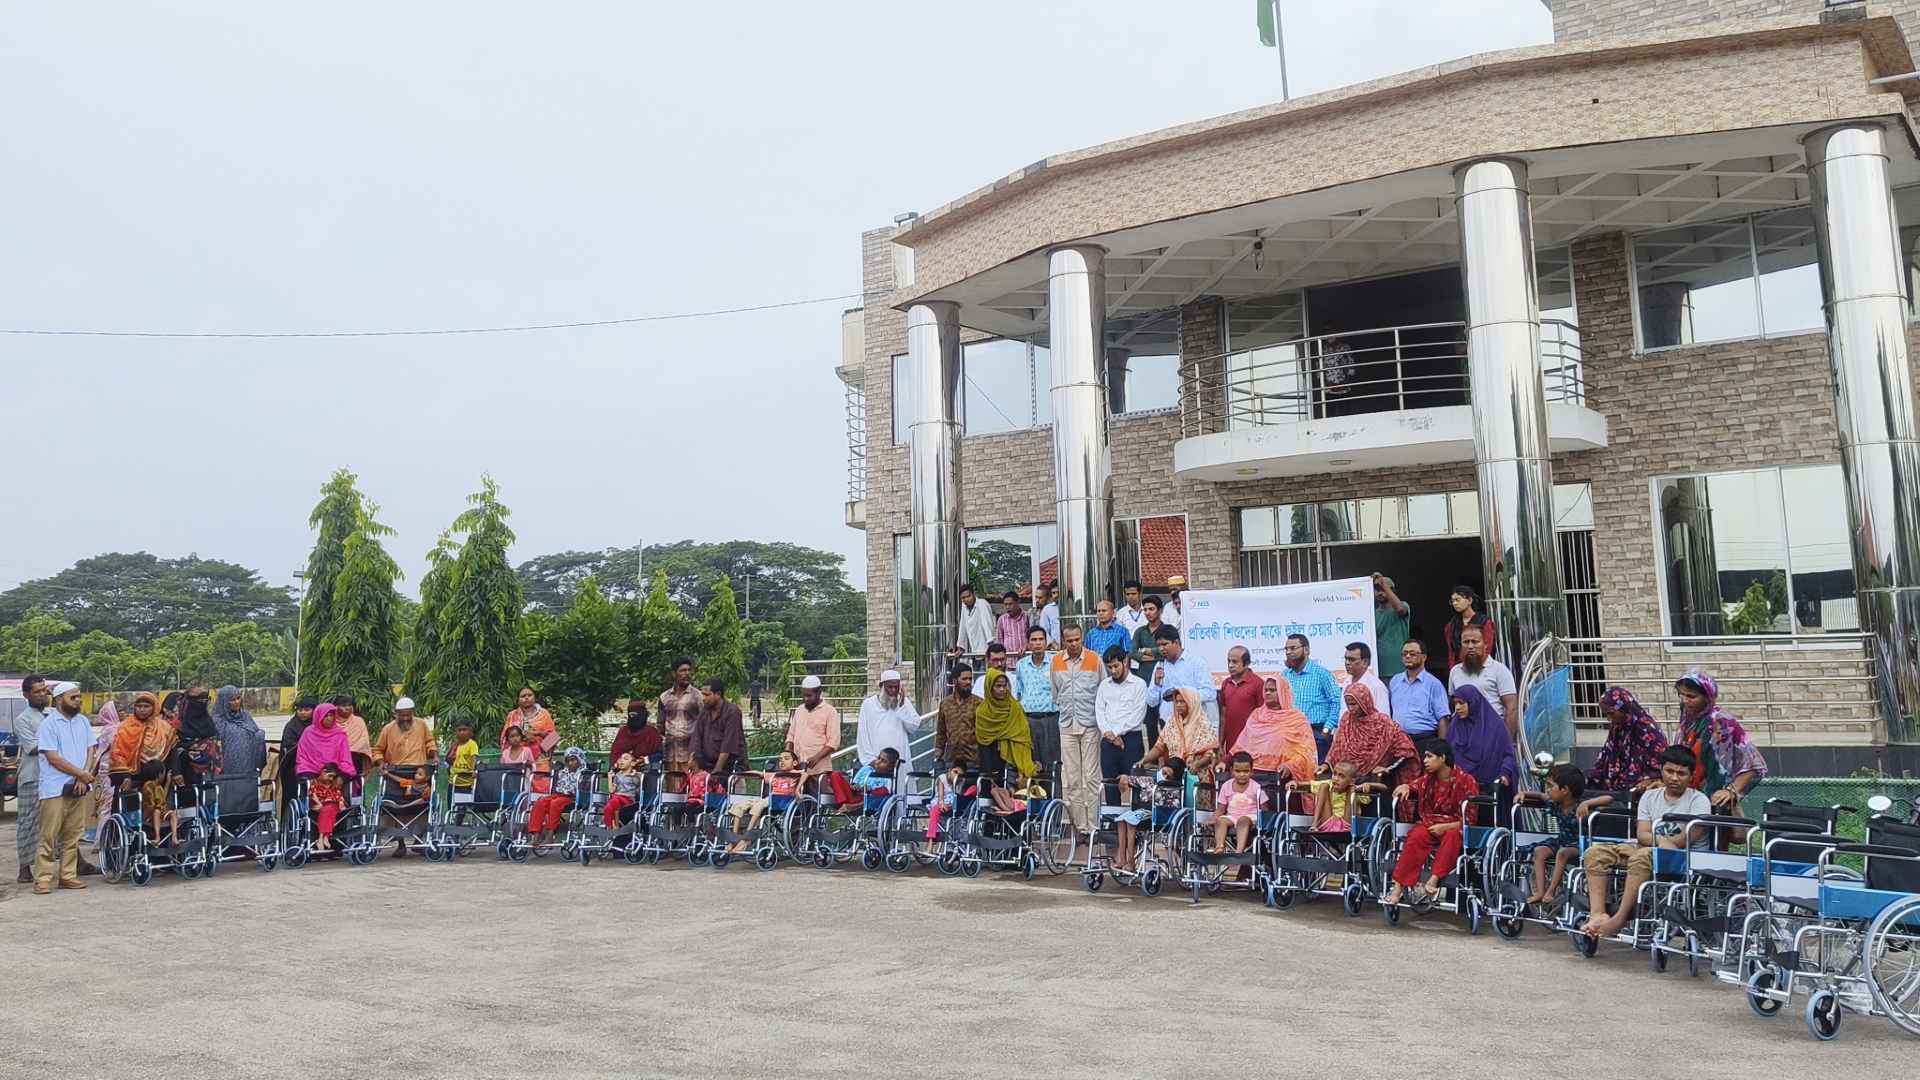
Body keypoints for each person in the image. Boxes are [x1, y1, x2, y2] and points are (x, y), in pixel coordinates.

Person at [1580, 746, 1711, 939]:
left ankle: (1619, 918)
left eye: (1681, 773)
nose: (1674, 778)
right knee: (1595, 852)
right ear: (1661, 770)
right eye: (1670, 771)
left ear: (1691, 776)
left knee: (1641, 855)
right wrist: (1654, 842)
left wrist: (1648, 845)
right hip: (1648, 850)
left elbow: (1681, 842)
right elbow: (1642, 834)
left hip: (1684, 859)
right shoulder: (1650, 797)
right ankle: (1597, 914)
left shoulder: (1699, 801)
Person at [1381, 738, 1480, 907]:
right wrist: (1406, 787)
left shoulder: (1466, 781)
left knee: (1452, 837)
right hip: (1431, 824)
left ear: (1442, 758)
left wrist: (1446, 826)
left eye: (1429, 756)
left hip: (1455, 826)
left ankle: (1433, 880)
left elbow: (1470, 819)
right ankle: (1397, 889)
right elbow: (1414, 786)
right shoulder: (1428, 779)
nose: (1425, 761)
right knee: (1415, 836)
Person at [31, 682, 97, 894]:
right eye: (73, 697)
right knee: (48, 835)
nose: (78, 700)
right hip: (54, 788)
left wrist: (83, 777)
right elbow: (53, 758)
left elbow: (90, 751)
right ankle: (42, 879)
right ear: (59, 699)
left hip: (79, 786)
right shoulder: (49, 724)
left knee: (73, 835)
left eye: (78, 697)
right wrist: (80, 774)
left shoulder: (83, 722)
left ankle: (68, 876)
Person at [1672, 670, 1767, 814]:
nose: (1685, 700)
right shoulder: (1688, 719)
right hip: (1688, 799)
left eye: (1691, 696)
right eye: (1681, 695)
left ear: (1707, 697)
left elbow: (1755, 764)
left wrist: (1731, 791)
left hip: (1715, 804)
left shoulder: (1720, 722)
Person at [1513, 764, 1604, 907]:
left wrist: (1588, 802)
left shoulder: (1580, 806)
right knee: (1539, 851)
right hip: (1562, 840)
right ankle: (1540, 892)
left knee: (1562, 853)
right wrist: (1523, 793)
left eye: (1551, 786)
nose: (1548, 790)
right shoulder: (1555, 803)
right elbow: (1540, 796)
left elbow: (1608, 798)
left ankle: (1551, 891)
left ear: (1565, 790)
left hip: (1581, 844)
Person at [1050, 624, 1104, 834]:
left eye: (1076, 640)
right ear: (1064, 641)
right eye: (1069, 640)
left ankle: (1094, 826)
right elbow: (1055, 693)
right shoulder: (1056, 661)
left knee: (1091, 777)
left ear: (1082, 639)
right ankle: (1080, 827)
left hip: (1090, 723)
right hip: (1066, 723)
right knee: (1072, 778)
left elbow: (1103, 689)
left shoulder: (1094, 659)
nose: (1073, 644)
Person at [373, 696, 438, 853]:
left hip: (418, 775)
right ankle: (400, 844)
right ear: (396, 714)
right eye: (401, 715)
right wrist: (381, 764)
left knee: (424, 806)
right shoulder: (388, 729)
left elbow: (430, 743)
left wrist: (434, 755)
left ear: (413, 713)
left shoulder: (422, 724)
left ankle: (420, 840)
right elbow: (377, 750)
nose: (405, 718)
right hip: (396, 774)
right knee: (394, 807)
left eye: (408, 714)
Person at [1440, 686, 1517, 816]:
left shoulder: (1495, 726)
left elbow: (1508, 754)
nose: (1457, 708)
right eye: (1455, 704)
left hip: (1490, 791)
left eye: (1462, 703)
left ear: (1473, 702)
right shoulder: (1454, 726)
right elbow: (1448, 755)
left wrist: (1505, 773)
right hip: (1460, 789)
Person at [1326, 683, 1418, 789]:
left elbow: (1405, 751)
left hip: (1375, 780)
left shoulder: (1383, 722)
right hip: (1346, 780)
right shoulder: (1346, 720)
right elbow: (1336, 748)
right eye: (1348, 705)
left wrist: (1387, 768)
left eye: (1354, 704)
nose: (1351, 709)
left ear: (1365, 702)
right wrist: (1326, 764)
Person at [1231, 677, 1318, 783]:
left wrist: (1291, 765)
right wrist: (1225, 760)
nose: (1267, 693)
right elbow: (1241, 745)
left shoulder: (1297, 719)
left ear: (1283, 692)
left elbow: (1306, 751)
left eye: (1272, 690)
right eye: (1266, 690)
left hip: (1282, 777)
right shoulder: (1256, 715)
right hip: (1252, 776)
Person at [1588, 686, 1669, 792]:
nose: (1609, 718)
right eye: (1606, 714)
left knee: (1624, 789)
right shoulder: (1617, 726)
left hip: (1640, 779)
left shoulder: (1646, 729)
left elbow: (1659, 764)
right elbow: (1607, 754)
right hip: (1618, 775)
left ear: (1624, 708)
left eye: (1611, 713)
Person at [1094, 645, 1149, 797]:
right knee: (1110, 786)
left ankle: (1136, 820)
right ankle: (1113, 820)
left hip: (1131, 741)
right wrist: (1109, 734)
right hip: (1108, 742)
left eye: (1116, 666)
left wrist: (1116, 733)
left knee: (1136, 786)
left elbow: (1137, 715)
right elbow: (1099, 711)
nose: (1113, 670)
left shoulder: (1139, 684)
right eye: (1109, 667)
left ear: (1125, 662)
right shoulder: (1104, 685)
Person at [1279, 634, 1342, 759]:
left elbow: (1336, 700)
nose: (1288, 652)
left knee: (1316, 775)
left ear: (1306, 650)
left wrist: (1327, 729)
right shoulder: (1285, 675)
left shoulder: (1321, 673)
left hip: (1316, 733)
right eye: (1286, 649)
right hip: (1292, 734)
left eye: (1293, 648)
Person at [12, 674, 49, 883]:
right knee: (27, 822)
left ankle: (76, 862)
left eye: (44, 690)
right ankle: (24, 868)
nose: (42, 694)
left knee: (62, 820)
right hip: (31, 777)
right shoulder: (22, 720)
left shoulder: (52, 714)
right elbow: (34, 747)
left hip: (52, 776)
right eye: (37, 691)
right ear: (26, 695)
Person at [1447, 624, 1518, 726]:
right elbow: (1453, 704)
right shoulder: (1455, 671)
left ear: (1485, 644)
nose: (1470, 646)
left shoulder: (1499, 670)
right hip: (1464, 733)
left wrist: (1506, 740)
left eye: (1475, 642)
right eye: (1466, 642)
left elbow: (1512, 708)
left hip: (1492, 731)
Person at [973, 668, 1037, 780]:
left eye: (1004, 685)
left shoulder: (1015, 707)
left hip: (1014, 765)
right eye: (998, 686)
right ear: (989, 688)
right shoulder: (982, 712)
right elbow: (983, 742)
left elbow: (1024, 736)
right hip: (991, 762)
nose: (1002, 689)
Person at [1150, 626, 1213, 730]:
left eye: (1165, 644)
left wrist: (1183, 696)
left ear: (1176, 642)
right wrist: (1156, 684)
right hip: (1168, 726)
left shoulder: (1196, 663)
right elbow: (1151, 702)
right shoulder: (1159, 666)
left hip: (1193, 725)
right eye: (1159, 645)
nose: (1161, 648)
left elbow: (1210, 693)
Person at [1013, 630, 1059, 771]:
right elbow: (1019, 692)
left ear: (1046, 642)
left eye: (1041, 639)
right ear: (1028, 643)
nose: (1037, 643)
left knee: (1052, 762)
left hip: (1050, 718)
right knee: (1031, 762)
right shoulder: (1021, 664)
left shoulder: (1055, 662)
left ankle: (1053, 793)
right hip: (1028, 719)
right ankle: (1033, 792)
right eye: (1033, 640)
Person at [525, 746, 587, 848]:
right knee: (540, 802)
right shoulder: (563, 771)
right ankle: (535, 835)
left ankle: (550, 835)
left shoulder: (583, 773)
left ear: (579, 759)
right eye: (568, 761)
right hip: (558, 794)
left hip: (572, 797)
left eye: (573, 760)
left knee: (555, 803)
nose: (570, 763)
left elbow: (580, 789)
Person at [1387, 639, 1449, 739]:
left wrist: (1440, 748)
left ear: (1424, 657)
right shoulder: (1395, 681)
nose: (1408, 656)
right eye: (1404, 654)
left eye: (1412, 654)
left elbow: (1443, 719)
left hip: (1424, 740)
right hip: (1399, 741)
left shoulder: (1434, 684)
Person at [175, 687, 224, 804]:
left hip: (211, 774)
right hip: (186, 775)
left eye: (204, 701)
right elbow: (174, 750)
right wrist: (187, 753)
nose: (202, 704)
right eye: (198, 701)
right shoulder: (178, 725)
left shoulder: (209, 722)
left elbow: (217, 745)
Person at [1216, 646, 1264, 764]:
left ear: (1246, 664)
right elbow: (1223, 715)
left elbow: (1263, 717)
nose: (1231, 665)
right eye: (1229, 661)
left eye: (1235, 662)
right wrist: (1220, 745)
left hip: (1252, 745)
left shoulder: (1258, 684)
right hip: (1231, 746)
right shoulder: (1226, 683)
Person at [786, 674, 841, 778]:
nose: (806, 699)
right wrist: (788, 754)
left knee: (816, 794)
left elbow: (834, 742)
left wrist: (817, 758)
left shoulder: (830, 711)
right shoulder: (799, 710)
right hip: (797, 770)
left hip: (819, 771)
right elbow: (791, 736)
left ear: (819, 693)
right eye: (804, 695)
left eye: (809, 696)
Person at [210, 685, 267, 784]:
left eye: (238, 698)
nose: (237, 702)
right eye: (232, 700)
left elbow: (255, 733)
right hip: (228, 768)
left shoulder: (246, 715)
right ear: (224, 701)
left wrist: (259, 736)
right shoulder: (217, 720)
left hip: (249, 765)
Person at [1213, 751, 1267, 854]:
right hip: (1232, 816)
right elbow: (1221, 808)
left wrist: (1265, 821)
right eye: (1238, 771)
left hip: (1251, 817)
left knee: (1243, 820)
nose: (1242, 774)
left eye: (1246, 771)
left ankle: (1239, 851)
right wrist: (1213, 818)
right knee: (1221, 821)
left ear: (1252, 771)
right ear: (1232, 771)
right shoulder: (1226, 786)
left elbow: (1264, 807)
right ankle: (1219, 846)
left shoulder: (1256, 787)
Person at [1130, 595, 1166, 745]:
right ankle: (1153, 755)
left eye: (1151, 609)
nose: (1148, 612)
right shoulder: (1140, 631)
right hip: (1144, 678)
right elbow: (1132, 652)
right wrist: (1155, 654)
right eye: (1145, 609)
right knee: (1150, 722)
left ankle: (1168, 756)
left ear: (1160, 610)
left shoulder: (1166, 630)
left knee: (1165, 720)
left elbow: (1165, 651)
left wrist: (1146, 651)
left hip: (1163, 678)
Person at [695, 678, 746, 778]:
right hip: (708, 766)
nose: (703, 698)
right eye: (702, 694)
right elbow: (697, 736)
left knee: (728, 791)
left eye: (707, 695)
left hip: (730, 768)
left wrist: (718, 769)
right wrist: (694, 760)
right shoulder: (704, 712)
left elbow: (728, 743)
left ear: (718, 694)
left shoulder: (732, 712)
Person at [293, 703, 357, 783]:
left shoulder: (340, 734)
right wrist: (317, 779)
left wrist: (341, 777)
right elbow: (302, 759)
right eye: (326, 716)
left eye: (331, 715)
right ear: (318, 716)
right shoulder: (308, 733)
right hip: (311, 773)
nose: (329, 718)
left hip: (335, 773)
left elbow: (345, 760)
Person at [658, 662, 702, 774]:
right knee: (671, 787)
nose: (687, 673)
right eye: (682, 670)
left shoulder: (698, 696)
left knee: (690, 786)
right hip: (670, 752)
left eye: (689, 670)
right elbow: (660, 725)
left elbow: (704, 724)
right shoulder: (664, 697)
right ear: (674, 673)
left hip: (690, 752)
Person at [276, 697, 317, 814]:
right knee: (293, 798)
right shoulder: (291, 727)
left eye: (307, 709)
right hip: (293, 769)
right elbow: (289, 748)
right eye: (299, 709)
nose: (302, 712)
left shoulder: (319, 725)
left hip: (316, 769)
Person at [1442, 585, 1496, 669]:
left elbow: (1487, 649)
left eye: (1457, 600)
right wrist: (1453, 669)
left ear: (1469, 600)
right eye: (1452, 601)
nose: (1455, 603)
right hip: (1459, 668)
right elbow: (1451, 652)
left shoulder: (1484, 622)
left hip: (1480, 668)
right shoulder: (1451, 626)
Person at [936, 665, 979, 769]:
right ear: (955, 681)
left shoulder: (979, 703)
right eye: (964, 679)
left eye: (970, 679)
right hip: (951, 760)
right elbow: (941, 731)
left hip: (973, 760)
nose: (968, 682)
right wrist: (938, 752)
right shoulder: (945, 703)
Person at [1373, 572, 1412, 673]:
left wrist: (1383, 584)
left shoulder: (1403, 606)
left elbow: (1400, 609)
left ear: (1392, 591)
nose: (1380, 593)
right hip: (1379, 668)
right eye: (1377, 590)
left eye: (1383, 590)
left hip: (1399, 668)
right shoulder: (1372, 614)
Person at [609, 700, 663, 771]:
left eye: (636, 715)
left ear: (643, 715)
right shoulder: (623, 732)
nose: (633, 718)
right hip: (622, 773)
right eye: (631, 715)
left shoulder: (651, 733)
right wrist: (619, 763)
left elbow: (661, 754)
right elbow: (615, 754)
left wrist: (645, 759)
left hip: (647, 772)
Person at [502, 685, 557, 753]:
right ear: (518, 700)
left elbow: (553, 738)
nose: (526, 697)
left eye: (529, 695)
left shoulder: (544, 714)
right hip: (518, 759)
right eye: (523, 696)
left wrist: (537, 735)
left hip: (540, 759)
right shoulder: (512, 715)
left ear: (534, 697)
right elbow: (504, 739)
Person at [1342, 643, 1390, 719]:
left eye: (1352, 659)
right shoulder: (1346, 682)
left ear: (1365, 662)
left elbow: (1383, 720)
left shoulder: (1376, 686)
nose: (1347, 663)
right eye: (1346, 659)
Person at [310, 763, 349, 853]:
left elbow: (338, 796)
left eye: (333, 777)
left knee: (329, 807)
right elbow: (313, 794)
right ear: (323, 772)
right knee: (327, 810)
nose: (331, 779)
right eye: (330, 776)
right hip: (322, 807)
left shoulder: (333, 785)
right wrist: (319, 803)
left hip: (333, 806)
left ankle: (321, 838)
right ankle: (325, 837)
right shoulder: (314, 782)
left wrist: (341, 802)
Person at [955, 583, 997, 657]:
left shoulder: (982, 604)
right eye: (963, 598)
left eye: (968, 596)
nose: (966, 599)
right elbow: (963, 627)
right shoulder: (964, 607)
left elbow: (987, 625)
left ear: (973, 594)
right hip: (974, 651)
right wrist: (961, 647)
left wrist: (991, 646)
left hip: (986, 651)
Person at [603, 752, 643, 828]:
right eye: (621, 758)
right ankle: (613, 826)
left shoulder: (636, 775)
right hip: (617, 799)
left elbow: (641, 784)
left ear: (632, 763)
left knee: (613, 801)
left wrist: (634, 773)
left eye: (626, 759)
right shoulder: (618, 775)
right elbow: (611, 790)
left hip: (628, 799)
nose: (622, 760)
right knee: (611, 804)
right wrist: (610, 778)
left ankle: (612, 826)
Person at [447, 721, 480, 793]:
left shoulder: (472, 744)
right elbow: (449, 760)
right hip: (453, 782)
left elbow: (475, 758)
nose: (462, 732)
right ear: (456, 732)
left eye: (464, 730)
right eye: (459, 730)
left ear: (470, 731)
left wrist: (475, 769)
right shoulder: (454, 745)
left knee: (464, 804)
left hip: (466, 783)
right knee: (451, 803)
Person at [1033, 582, 1062, 647]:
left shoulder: (1072, 607)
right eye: (1054, 593)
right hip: (1054, 649)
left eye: (1058, 592)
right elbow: (1044, 630)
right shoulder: (1047, 609)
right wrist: (1053, 643)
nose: (1056, 595)